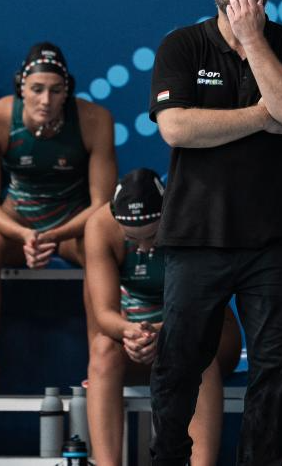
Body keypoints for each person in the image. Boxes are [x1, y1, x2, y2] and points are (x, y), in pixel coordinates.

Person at [148, 0, 282, 466]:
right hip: (197, 233)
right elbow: (177, 128)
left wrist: (251, 38)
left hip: (274, 238)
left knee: (273, 372)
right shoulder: (182, 46)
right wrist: (260, 117)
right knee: (178, 364)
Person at [0, 42, 117, 396]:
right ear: (21, 88)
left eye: (55, 90)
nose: (45, 100)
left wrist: (53, 235)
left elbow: (101, 204)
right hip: (18, 221)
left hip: (73, 223)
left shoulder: (95, 120)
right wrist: (24, 235)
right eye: (36, 89)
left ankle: (100, 370)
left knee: (99, 246)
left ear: (67, 91)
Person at [85, 168, 241, 466]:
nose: (144, 247)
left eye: (153, 236)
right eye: (132, 238)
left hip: (204, 330)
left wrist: (162, 334)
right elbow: (104, 313)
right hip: (142, 336)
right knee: (102, 349)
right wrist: (132, 333)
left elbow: (204, 308)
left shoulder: (192, 218)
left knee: (197, 353)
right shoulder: (100, 227)